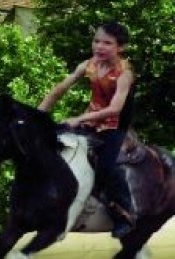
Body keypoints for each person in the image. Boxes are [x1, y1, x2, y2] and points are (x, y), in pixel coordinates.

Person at [37, 21, 136, 239]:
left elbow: (115, 109)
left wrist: (80, 118)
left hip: (114, 125)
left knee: (107, 168)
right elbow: (59, 89)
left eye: (107, 43)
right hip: (91, 119)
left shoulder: (124, 74)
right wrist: (38, 114)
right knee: (59, 146)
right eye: (96, 41)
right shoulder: (88, 65)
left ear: (120, 48)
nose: (99, 46)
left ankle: (124, 215)